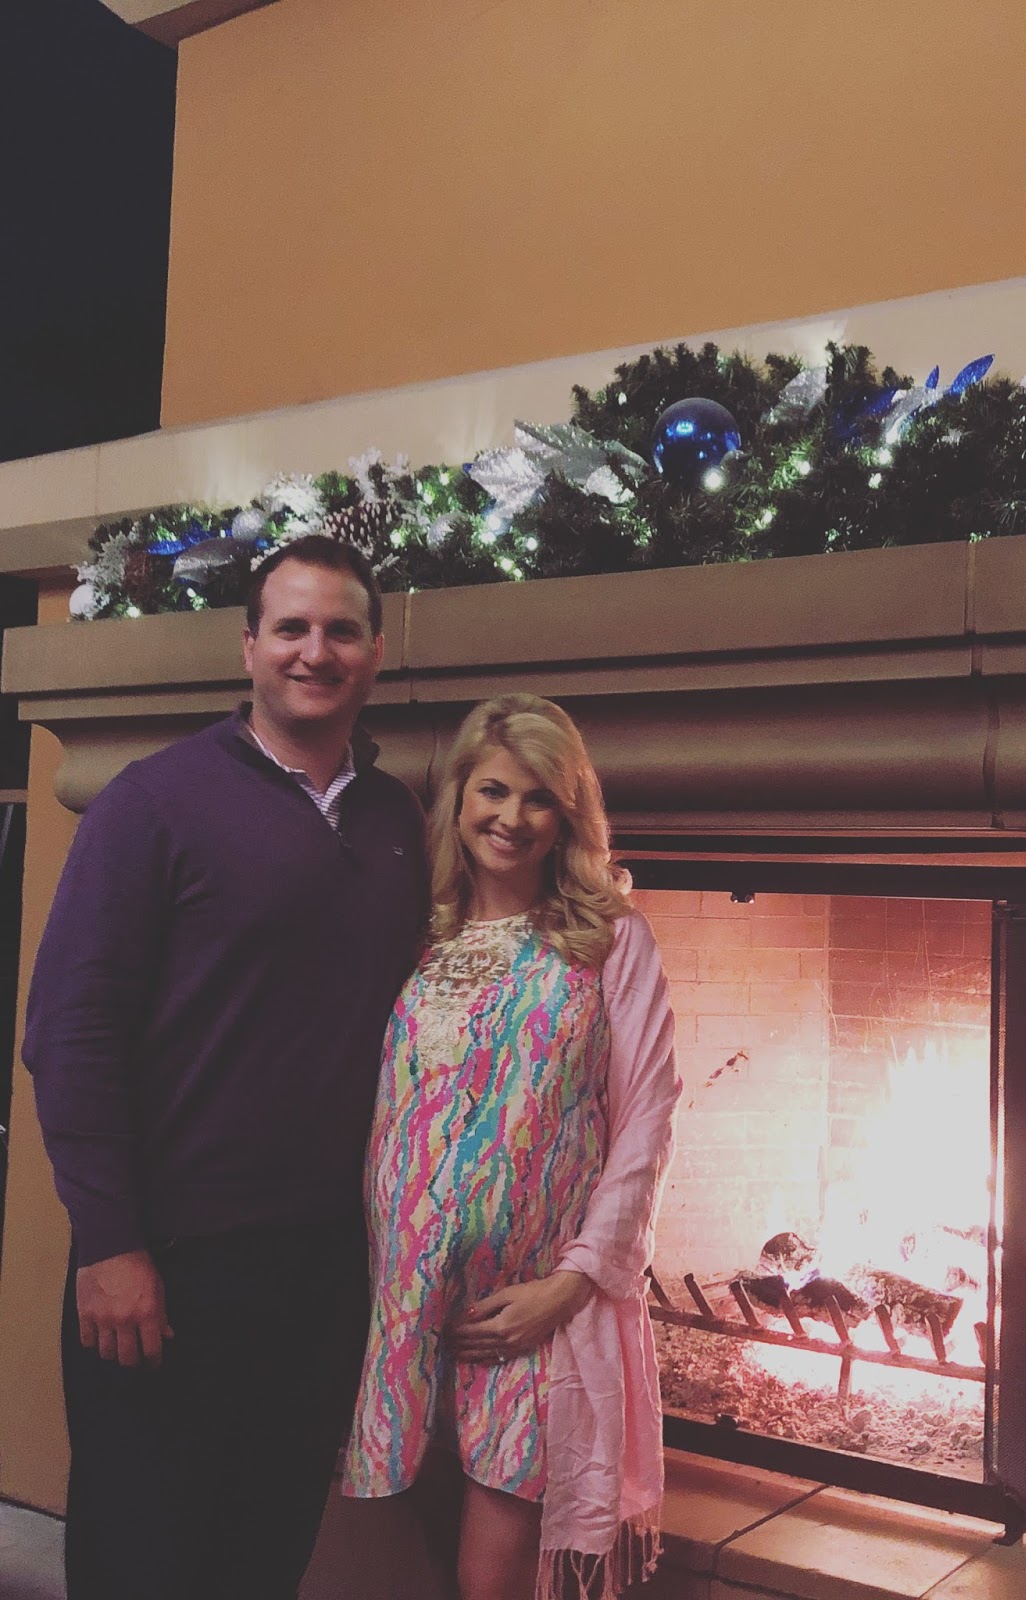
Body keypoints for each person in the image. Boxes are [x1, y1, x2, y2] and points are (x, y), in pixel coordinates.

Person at [24, 536, 430, 1599]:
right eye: (290, 627)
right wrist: (110, 1242)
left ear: (374, 651)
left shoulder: (396, 821)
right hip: (165, 1265)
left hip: (323, 1273)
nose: (314, 651)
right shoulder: (153, 804)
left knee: (263, 1557)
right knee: (143, 1560)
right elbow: (70, 1032)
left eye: (341, 630)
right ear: (248, 647)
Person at [343, 693, 680, 1600]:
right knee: (413, 1552)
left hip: (532, 1314)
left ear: (568, 816)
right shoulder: (413, 933)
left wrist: (574, 1282)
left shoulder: (611, 941)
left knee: (489, 1577)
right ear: (458, 797)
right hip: (403, 1306)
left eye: (540, 799)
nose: (512, 818)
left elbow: (647, 1120)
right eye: (493, 791)